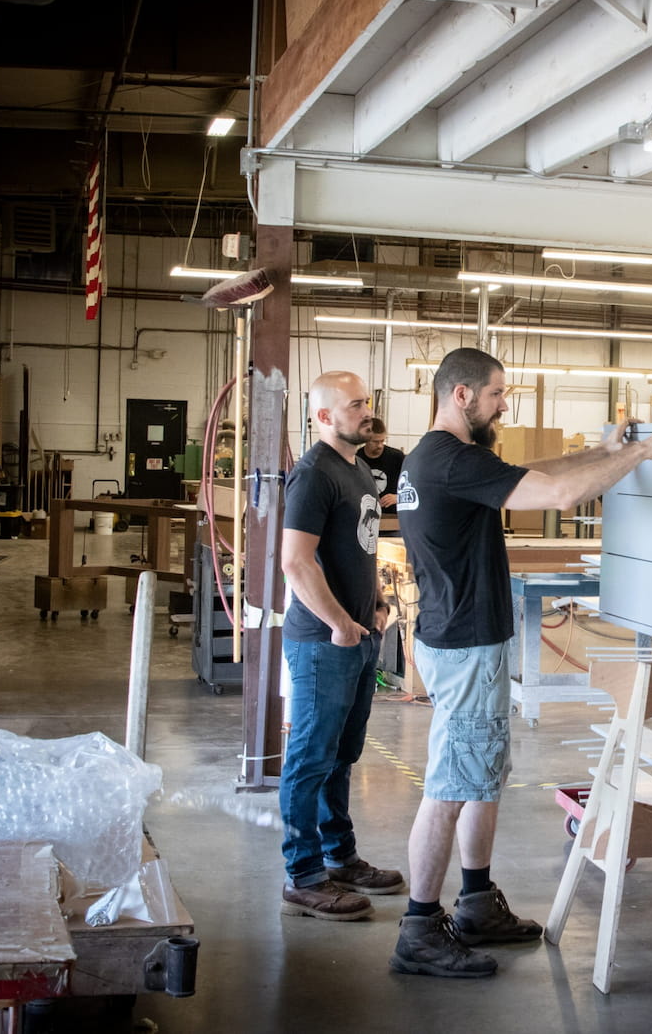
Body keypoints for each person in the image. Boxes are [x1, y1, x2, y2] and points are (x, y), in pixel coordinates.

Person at [390, 347, 652, 978]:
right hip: (466, 646)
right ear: (464, 395)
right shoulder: (448, 460)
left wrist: (605, 451)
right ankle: (419, 927)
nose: (506, 404)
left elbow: (535, 469)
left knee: (479, 777)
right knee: (450, 786)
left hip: (463, 638)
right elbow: (554, 491)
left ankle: (474, 904)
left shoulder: (441, 458)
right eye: (499, 394)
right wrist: (642, 452)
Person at [277, 370, 404, 921]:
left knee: (341, 756)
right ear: (324, 416)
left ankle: (340, 856)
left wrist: (373, 605)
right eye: (355, 405)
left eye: (368, 403)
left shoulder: (358, 471)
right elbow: (295, 561)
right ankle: (304, 876)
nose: (367, 413)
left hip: (357, 635)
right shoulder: (313, 475)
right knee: (309, 757)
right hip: (322, 641)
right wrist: (337, 623)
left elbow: (362, 549)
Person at [358, 416, 405, 515]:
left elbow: (414, 485)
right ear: (366, 439)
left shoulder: (397, 458)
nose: (379, 445)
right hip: (364, 516)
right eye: (375, 442)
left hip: (391, 516)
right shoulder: (357, 459)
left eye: (382, 441)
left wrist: (398, 497)